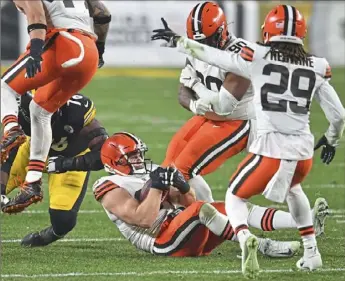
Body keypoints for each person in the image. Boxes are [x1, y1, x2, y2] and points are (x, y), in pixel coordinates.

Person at [151, 4, 345, 278]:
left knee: (230, 194)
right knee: (292, 190)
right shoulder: (318, 65)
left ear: (266, 31)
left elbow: (223, 101)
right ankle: (311, 247)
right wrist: (332, 139)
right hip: (300, 150)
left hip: (253, 134)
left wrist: (180, 44)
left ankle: (243, 239)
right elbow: (338, 115)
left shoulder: (256, 55)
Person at [93, 132, 328, 258]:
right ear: (116, 162)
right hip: (163, 241)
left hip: (185, 230)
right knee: (201, 211)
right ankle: (263, 246)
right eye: (132, 157)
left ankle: (303, 222)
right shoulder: (109, 185)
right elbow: (142, 219)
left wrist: (183, 186)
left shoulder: (151, 171)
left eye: (139, 154)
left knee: (226, 206)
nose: (139, 159)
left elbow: (190, 203)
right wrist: (155, 188)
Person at [0, 0, 111, 213]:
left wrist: (36, 51)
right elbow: (103, 14)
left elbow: (37, 17)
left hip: (63, 41)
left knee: (5, 86)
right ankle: (32, 182)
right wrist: (100, 48)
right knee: (40, 110)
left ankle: (11, 131)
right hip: (88, 52)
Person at [162, 2, 254, 203]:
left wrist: (196, 86)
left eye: (208, 40)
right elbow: (182, 92)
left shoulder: (241, 54)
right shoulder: (197, 47)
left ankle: (210, 222)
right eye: (199, 42)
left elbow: (224, 108)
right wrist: (195, 105)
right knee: (168, 168)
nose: (203, 46)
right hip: (207, 116)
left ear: (222, 31)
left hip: (237, 121)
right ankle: (210, 215)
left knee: (182, 171)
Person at [1, 92, 108, 247]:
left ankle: (48, 236)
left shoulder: (76, 113)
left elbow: (103, 154)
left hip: (68, 159)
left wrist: (67, 164)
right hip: (29, 151)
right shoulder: (19, 110)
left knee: (63, 220)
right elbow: (7, 152)